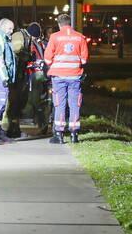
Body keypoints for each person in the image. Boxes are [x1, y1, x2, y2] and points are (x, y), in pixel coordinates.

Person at [43, 13, 90, 144]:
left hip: (58, 77)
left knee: (60, 104)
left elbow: (47, 59)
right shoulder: (80, 37)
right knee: (75, 104)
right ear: (70, 23)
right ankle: (74, 134)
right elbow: (84, 60)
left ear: (59, 24)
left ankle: (59, 135)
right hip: (75, 76)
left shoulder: (54, 37)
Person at [23, 23, 49, 133]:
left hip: (39, 73)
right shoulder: (31, 43)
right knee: (33, 97)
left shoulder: (36, 42)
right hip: (35, 73)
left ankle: (34, 118)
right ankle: (29, 117)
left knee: (37, 98)